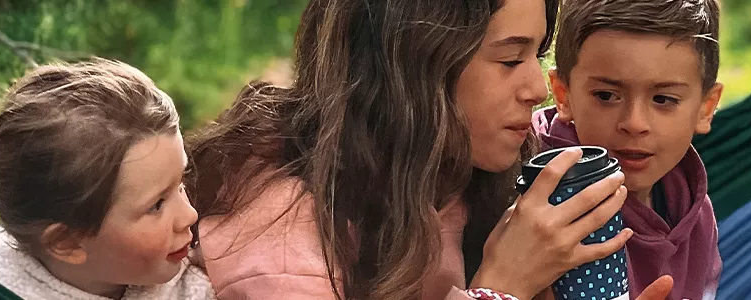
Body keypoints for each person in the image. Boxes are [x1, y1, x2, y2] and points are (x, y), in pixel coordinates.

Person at [181, 0, 663, 299]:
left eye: (536, 56)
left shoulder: (451, 183)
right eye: (510, 59)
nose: (536, 89)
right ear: (415, 65)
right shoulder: (286, 232)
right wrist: (502, 287)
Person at [0, 59, 213, 300]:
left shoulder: (197, 273)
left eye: (180, 183)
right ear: (67, 242)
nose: (190, 214)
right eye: (157, 205)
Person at [532, 0, 724, 299]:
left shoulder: (694, 208)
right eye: (606, 95)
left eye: (663, 99)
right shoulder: (543, 205)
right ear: (562, 95)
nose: (634, 123)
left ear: (706, 107)